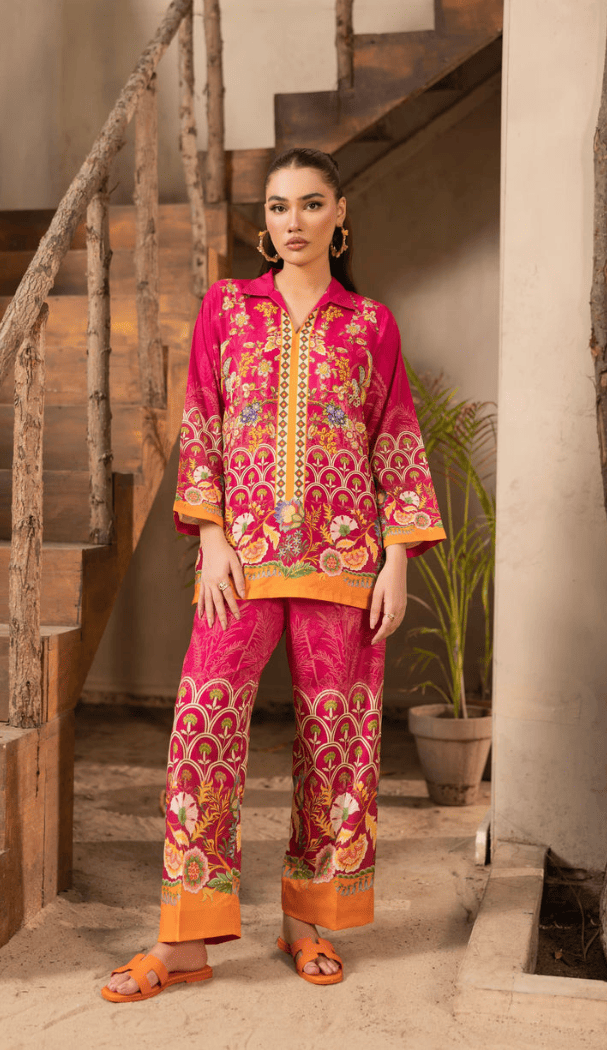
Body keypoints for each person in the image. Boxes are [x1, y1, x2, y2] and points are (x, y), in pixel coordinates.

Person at [102, 147, 445, 1002]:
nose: (291, 221)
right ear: (266, 220)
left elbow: (394, 442)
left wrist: (396, 561)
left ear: (339, 215)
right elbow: (205, 423)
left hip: (346, 566)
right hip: (240, 563)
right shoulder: (227, 308)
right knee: (202, 730)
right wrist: (212, 537)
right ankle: (186, 940)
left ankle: (310, 923)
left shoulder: (371, 325)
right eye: (279, 206)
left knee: (337, 744)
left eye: (310, 204)